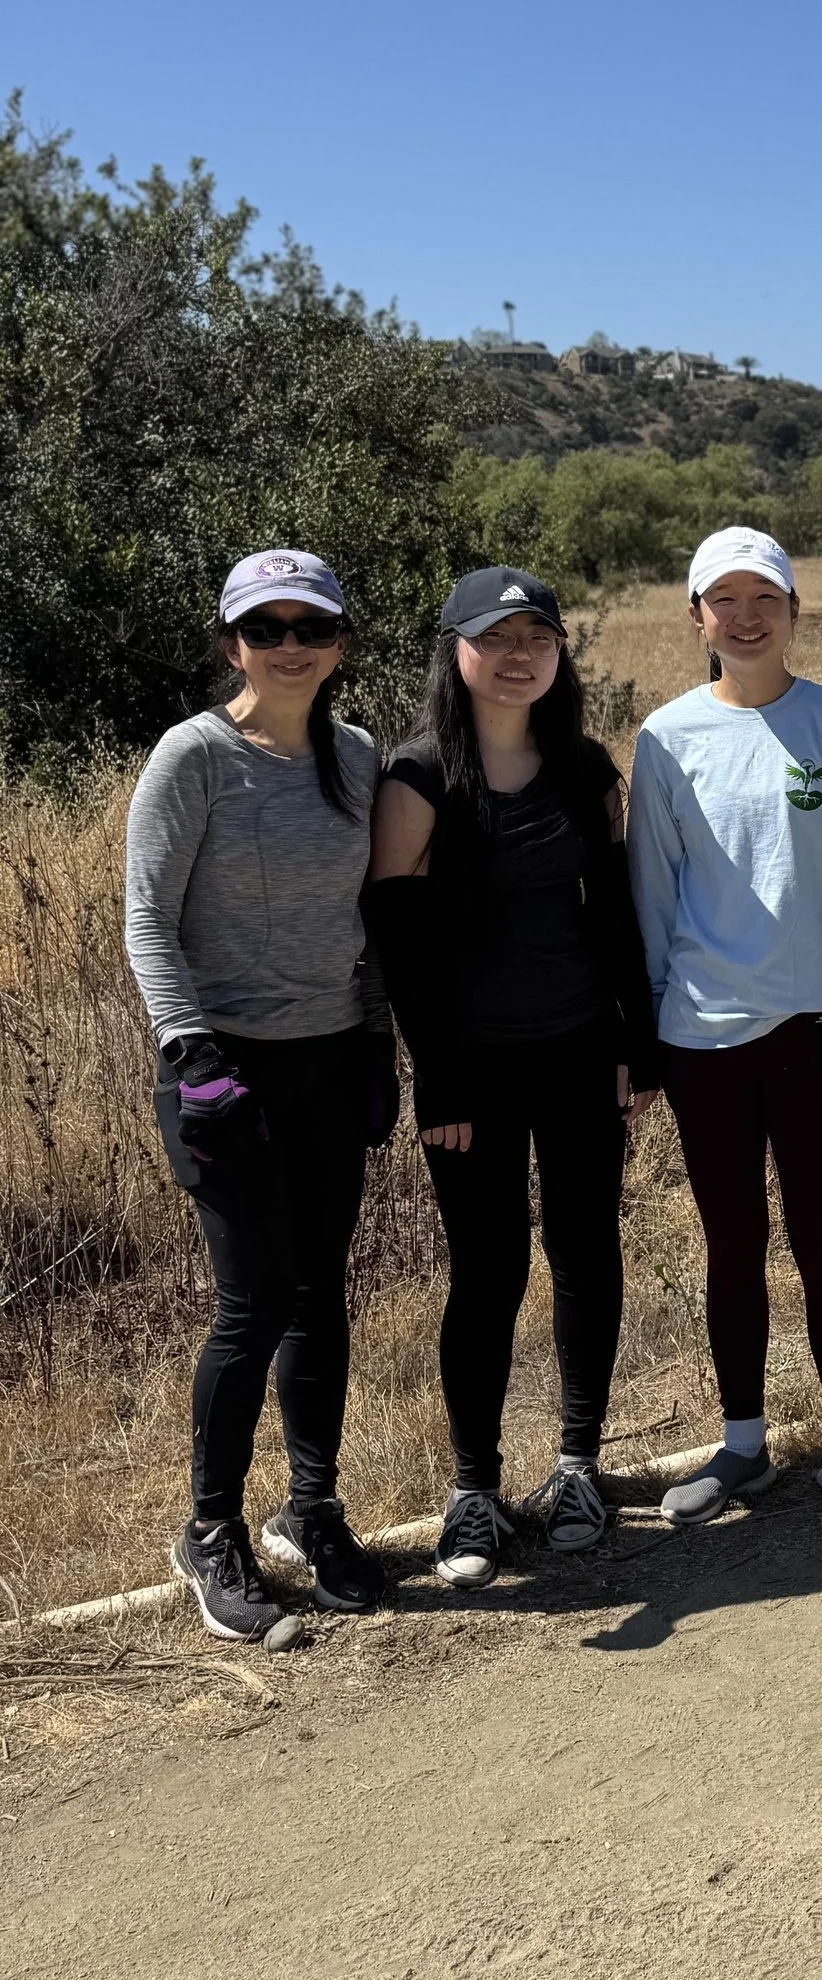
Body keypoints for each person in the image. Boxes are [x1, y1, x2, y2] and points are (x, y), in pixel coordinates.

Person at [365, 567, 664, 1587]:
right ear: (455, 652)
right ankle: (473, 1490)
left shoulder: (585, 770)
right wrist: (436, 1081)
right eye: (497, 636)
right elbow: (398, 952)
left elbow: (615, 919)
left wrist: (639, 1041)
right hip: (472, 1074)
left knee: (588, 1255)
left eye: (538, 634)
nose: (520, 652)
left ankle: (578, 1466)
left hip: (580, 1047)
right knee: (486, 1274)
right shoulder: (415, 781)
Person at [124, 549, 400, 1642]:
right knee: (251, 1303)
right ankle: (210, 1533)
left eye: (313, 627)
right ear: (232, 641)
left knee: (320, 1291)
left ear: (339, 643)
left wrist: (377, 1044)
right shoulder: (192, 757)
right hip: (222, 1068)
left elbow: (371, 919)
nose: (291, 645)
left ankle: (310, 1509)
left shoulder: (358, 757)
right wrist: (192, 1052)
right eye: (266, 627)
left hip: (330, 1055)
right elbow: (148, 918)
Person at [629, 525, 822, 1523]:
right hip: (700, 1036)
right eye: (724, 601)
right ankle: (741, 1442)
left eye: (766, 600)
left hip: (812, 1030)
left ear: (793, 613)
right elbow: (652, 894)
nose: (745, 620)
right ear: (696, 616)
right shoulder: (665, 738)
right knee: (730, 1242)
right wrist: (650, 1031)